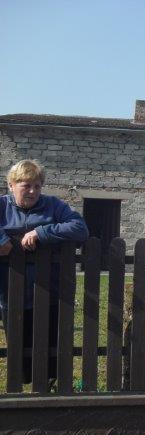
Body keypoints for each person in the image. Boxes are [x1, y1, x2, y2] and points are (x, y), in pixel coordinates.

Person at [0, 159, 88, 385]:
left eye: (37, 186)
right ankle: (22, 388)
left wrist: (41, 232)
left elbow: (80, 228)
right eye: (26, 185)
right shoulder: (2, 206)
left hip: (49, 293)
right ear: (11, 185)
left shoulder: (53, 205)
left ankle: (47, 388)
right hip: (10, 294)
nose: (32, 191)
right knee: (19, 353)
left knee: (49, 353)